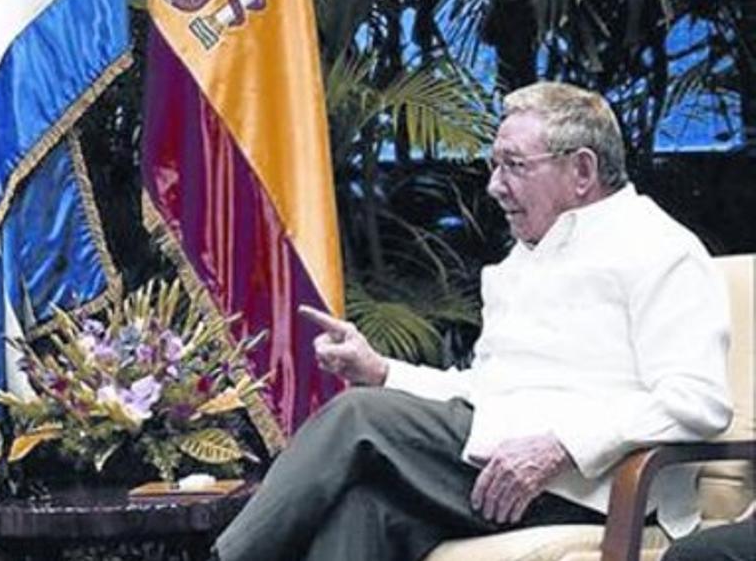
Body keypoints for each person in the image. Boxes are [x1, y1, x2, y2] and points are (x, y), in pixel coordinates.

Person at [214, 81, 733, 561]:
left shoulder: (659, 249)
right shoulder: (525, 258)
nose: (494, 187)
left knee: (357, 417)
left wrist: (563, 446)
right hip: (498, 464)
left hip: (594, 486)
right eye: (493, 165)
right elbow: (486, 392)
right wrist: (383, 372)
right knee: (364, 508)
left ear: (582, 171)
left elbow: (698, 401)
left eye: (513, 166)